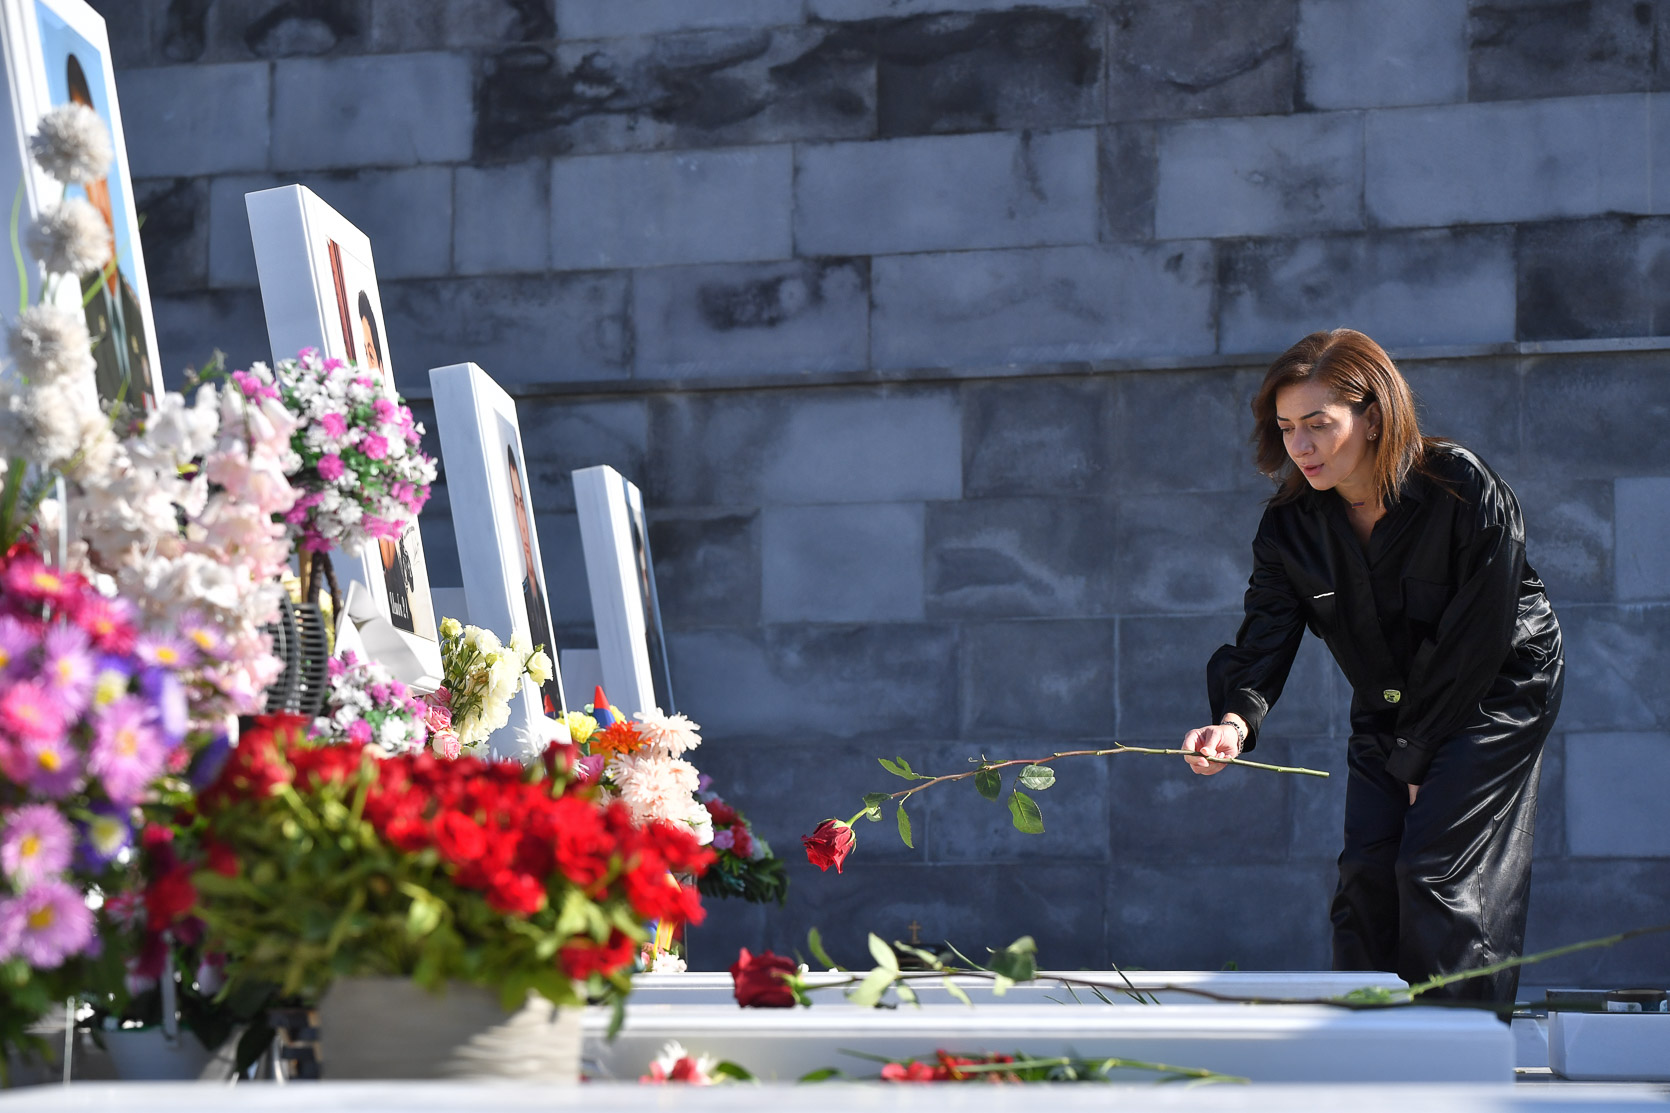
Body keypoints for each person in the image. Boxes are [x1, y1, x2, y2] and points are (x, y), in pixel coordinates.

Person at [1181, 329, 1562, 1003]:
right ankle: (1366, 1037)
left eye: (1318, 424)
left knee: (1433, 869)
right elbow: (1266, 634)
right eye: (1287, 428)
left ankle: (1459, 1043)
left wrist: (1417, 758)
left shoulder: (1462, 487)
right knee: (1365, 874)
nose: (1300, 446)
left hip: (1495, 688)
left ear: (1375, 416)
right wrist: (1234, 722)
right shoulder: (1291, 527)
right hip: (1391, 697)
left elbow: (1476, 640)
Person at [507, 445, 561, 716]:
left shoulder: (536, 593)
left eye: (522, 503)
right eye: (514, 502)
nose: (521, 515)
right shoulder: (516, 594)